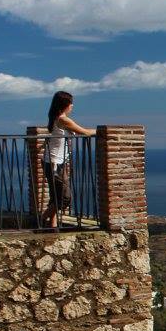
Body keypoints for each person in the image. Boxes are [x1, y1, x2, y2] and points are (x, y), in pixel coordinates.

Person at [41, 90, 95, 228]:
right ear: (64, 104)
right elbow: (85, 132)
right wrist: (102, 131)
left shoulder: (55, 118)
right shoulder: (63, 119)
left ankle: (52, 226)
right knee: (65, 197)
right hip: (54, 163)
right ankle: (42, 218)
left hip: (54, 161)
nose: (72, 106)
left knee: (55, 195)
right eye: (70, 103)